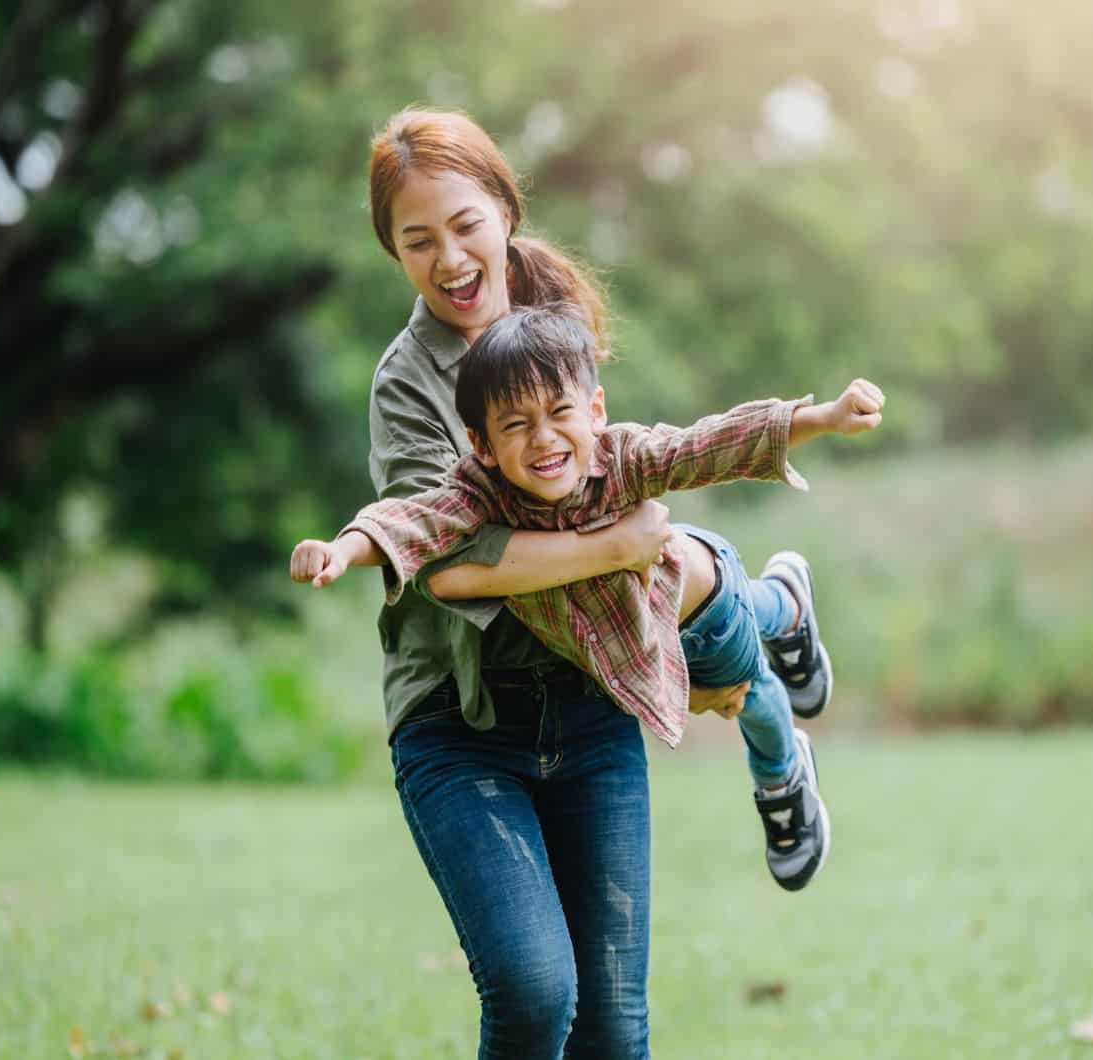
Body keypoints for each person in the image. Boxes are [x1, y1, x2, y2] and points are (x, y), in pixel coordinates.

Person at [321, 106, 835, 1058]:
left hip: (588, 701)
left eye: (465, 225)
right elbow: (450, 566)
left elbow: (653, 460)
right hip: (465, 723)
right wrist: (625, 548)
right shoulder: (409, 385)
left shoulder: (551, 323)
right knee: (531, 990)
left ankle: (774, 631)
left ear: (506, 211)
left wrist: (800, 424)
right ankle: (775, 623)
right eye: (416, 240)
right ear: (392, 252)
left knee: (612, 1027)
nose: (449, 258)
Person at [292, 306, 885, 889]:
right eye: (516, 425)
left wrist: (823, 417)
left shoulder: (623, 457)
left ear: (595, 410)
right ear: (483, 444)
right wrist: (343, 549)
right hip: (644, 631)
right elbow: (414, 520)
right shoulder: (480, 494)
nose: (543, 438)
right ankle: (785, 603)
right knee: (753, 649)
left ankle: (782, 771)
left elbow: (709, 444)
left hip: (698, 607)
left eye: (559, 413)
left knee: (750, 693)